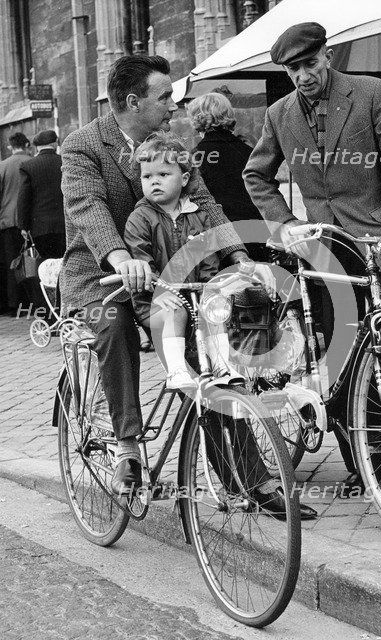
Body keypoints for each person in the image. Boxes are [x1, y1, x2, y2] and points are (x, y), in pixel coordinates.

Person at [59, 55, 316, 518]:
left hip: (172, 274)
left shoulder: (174, 145)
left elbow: (210, 207)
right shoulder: (83, 146)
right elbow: (88, 207)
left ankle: (250, 478)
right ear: (133, 102)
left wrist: (241, 257)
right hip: (105, 275)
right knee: (113, 326)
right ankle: (127, 445)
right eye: (164, 98)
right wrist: (120, 256)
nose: (174, 106)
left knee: (208, 357)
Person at [243, 22, 381, 492]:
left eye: (309, 64)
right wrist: (287, 224)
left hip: (379, 239)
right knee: (342, 343)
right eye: (293, 69)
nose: (303, 76)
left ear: (328, 56)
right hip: (324, 246)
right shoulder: (279, 115)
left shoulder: (371, 92)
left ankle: (364, 425)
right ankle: (363, 443)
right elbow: (256, 176)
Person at [124, 131, 242, 389]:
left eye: (163, 175)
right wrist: (157, 290)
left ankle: (221, 363)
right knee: (173, 308)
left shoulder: (199, 216)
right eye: (147, 176)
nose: (154, 182)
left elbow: (208, 261)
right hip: (154, 299)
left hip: (193, 295)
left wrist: (211, 287)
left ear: (185, 178)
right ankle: (176, 371)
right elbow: (140, 260)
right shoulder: (140, 218)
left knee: (215, 304)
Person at [187, 92, 268, 262]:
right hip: (256, 232)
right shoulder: (250, 152)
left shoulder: (195, 157)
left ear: (197, 118)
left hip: (220, 239)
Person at [17, 129, 65, 319]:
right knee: (65, 268)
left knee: (45, 270)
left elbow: (24, 200)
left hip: (40, 229)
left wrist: (23, 227)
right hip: (65, 227)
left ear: (37, 146)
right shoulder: (64, 162)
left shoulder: (28, 166)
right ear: (55, 143)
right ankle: (66, 312)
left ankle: (49, 315)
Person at [0, 132, 31, 315]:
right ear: (27, 145)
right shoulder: (31, 162)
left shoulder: (2, 166)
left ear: (11, 146)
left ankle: (15, 305)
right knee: (31, 262)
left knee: (12, 263)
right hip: (30, 222)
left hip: (8, 222)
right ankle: (33, 300)